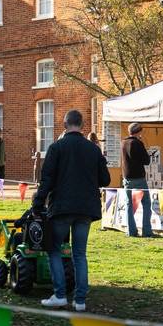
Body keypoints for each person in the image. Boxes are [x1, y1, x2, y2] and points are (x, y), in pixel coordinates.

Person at [32, 109, 110, 311]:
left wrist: (37, 204)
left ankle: (59, 294)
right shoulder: (94, 150)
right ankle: (80, 300)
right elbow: (105, 179)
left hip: (62, 206)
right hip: (86, 207)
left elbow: (46, 180)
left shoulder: (56, 148)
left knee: (54, 249)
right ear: (82, 125)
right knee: (79, 254)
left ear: (65, 125)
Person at [121, 122, 152, 238]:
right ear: (139, 132)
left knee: (129, 205)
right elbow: (146, 160)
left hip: (127, 177)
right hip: (138, 178)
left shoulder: (123, 142)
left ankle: (131, 231)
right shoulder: (138, 143)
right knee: (146, 203)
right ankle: (147, 231)